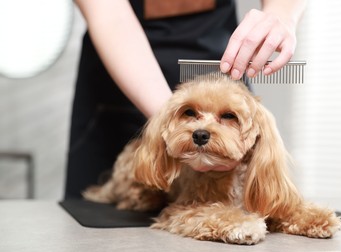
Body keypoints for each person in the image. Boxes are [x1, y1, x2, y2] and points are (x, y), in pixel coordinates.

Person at [65, 0, 306, 199]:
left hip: (221, 63)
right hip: (119, 75)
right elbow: (110, 14)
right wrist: (169, 122)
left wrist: (281, 13)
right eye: (191, 114)